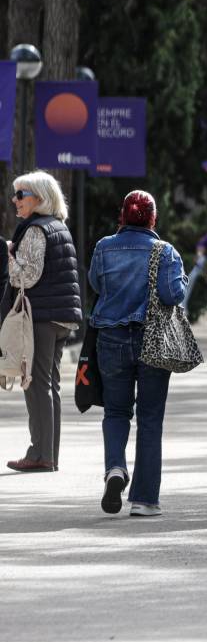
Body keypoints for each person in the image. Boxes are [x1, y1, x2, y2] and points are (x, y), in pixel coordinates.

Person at [87, 190, 186, 514]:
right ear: (153, 218)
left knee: (115, 412)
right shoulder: (165, 251)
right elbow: (172, 295)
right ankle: (144, 500)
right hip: (152, 340)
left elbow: (97, 285)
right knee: (150, 417)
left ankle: (115, 467)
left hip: (111, 338)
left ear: (123, 216)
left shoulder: (104, 247)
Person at [2, 172, 82, 473]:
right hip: (60, 316)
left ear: (39, 198)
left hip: (42, 317)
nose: (15, 200)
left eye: (21, 195)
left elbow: (26, 276)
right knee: (48, 384)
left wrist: (9, 254)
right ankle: (47, 453)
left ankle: (40, 454)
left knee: (35, 384)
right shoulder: (57, 227)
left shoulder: (35, 230)